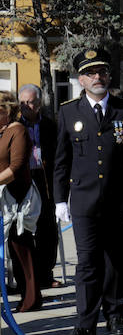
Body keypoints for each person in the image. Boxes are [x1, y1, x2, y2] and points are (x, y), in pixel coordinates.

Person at [55, 48, 123, 335]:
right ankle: (85, 326)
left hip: (120, 200)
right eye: (92, 73)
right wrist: (59, 200)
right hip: (83, 201)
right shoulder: (69, 111)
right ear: (81, 79)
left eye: (103, 72)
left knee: (116, 261)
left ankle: (114, 313)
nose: (99, 77)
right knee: (87, 264)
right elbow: (61, 160)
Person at [0, 91, 41, 313]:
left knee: (20, 247)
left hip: (17, 197)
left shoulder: (18, 131)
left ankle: (31, 298)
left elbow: (15, 167)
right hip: (1, 197)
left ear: (6, 111)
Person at [16, 84, 59, 290]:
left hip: (44, 180)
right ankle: (25, 279)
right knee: (21, 229)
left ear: (39, 104)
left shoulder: (50, 126)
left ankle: (45, 275)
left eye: (30, 102)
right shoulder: (14, 126)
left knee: (47, 230)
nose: (26, 107)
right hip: (22, 180)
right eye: (22, 102)